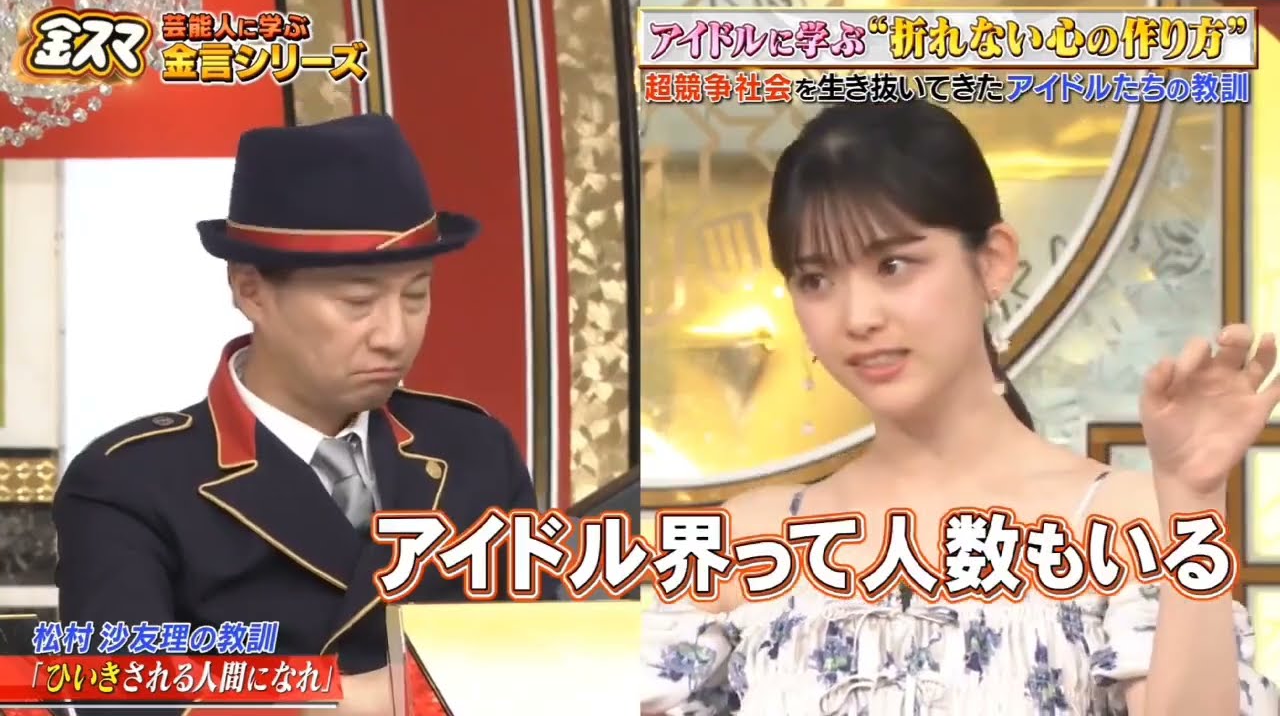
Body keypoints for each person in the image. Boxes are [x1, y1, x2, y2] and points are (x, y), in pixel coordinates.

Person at [640, 101, 1279, 714]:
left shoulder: (1124, 521)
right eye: (816, 280)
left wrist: (1192, 499)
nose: (858, 316)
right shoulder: (747, 541)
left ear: (993, 261)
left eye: (894, 265)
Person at [53, 114, 545, 715]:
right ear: (251, 290)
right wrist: (344, 701)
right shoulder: (128, 481)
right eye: (357, 301)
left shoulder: (473, 450)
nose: (395, 335)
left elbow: (550, 662)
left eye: (416, 295)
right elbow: (121, 696)